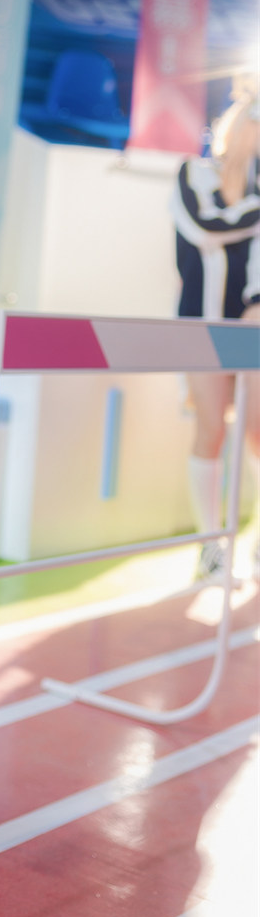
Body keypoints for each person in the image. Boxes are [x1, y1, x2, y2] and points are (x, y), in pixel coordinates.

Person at [172, 87, 260, 576]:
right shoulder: (193, 173)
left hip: (251, 326)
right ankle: (209, 547)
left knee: (258, 431)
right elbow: (204, 225)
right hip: (200, 323)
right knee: (211, 429)